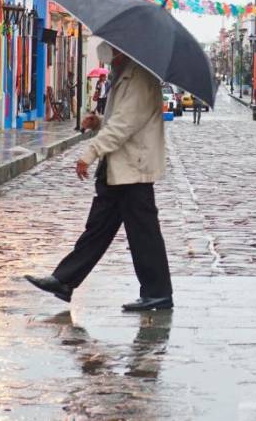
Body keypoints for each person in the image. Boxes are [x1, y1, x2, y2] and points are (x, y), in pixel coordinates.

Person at [26, 45, 173, 312]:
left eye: (115, 53)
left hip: (133, 168)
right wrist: (99, 122)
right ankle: (64, 280)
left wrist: (90, 152)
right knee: (98, 228)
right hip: (119, 166)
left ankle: (158, 293)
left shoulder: (140, 79)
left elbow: (125, 125)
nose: (111, 59)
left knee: (144, 233)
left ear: (125, 52)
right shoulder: (126, 76)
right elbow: (117, 120)